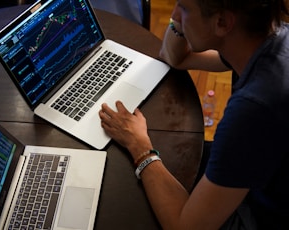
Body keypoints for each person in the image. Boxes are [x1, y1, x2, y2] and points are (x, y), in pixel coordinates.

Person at [99, 0, 289, 229]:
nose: (174, 15)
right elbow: (175, 58)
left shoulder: (253, 109)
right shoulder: (269, 37)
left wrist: (139, 147)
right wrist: (183, 19)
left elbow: (185, 226)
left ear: (221, 22)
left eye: (183, 8)